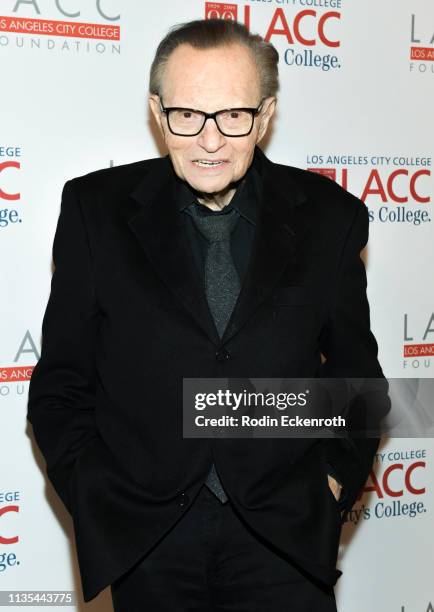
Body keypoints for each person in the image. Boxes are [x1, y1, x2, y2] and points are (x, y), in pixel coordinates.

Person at [27, 18, 390, 612]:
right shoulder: (95, 211)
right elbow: (61, 384)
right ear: (156, 110)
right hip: (148, 539)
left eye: (233, 116)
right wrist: (96, 492)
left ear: (266, 115)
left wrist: (327, 484)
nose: (210, 140)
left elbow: (357, 383)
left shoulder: (331, 218)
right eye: (187, 115)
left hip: (285, 538)